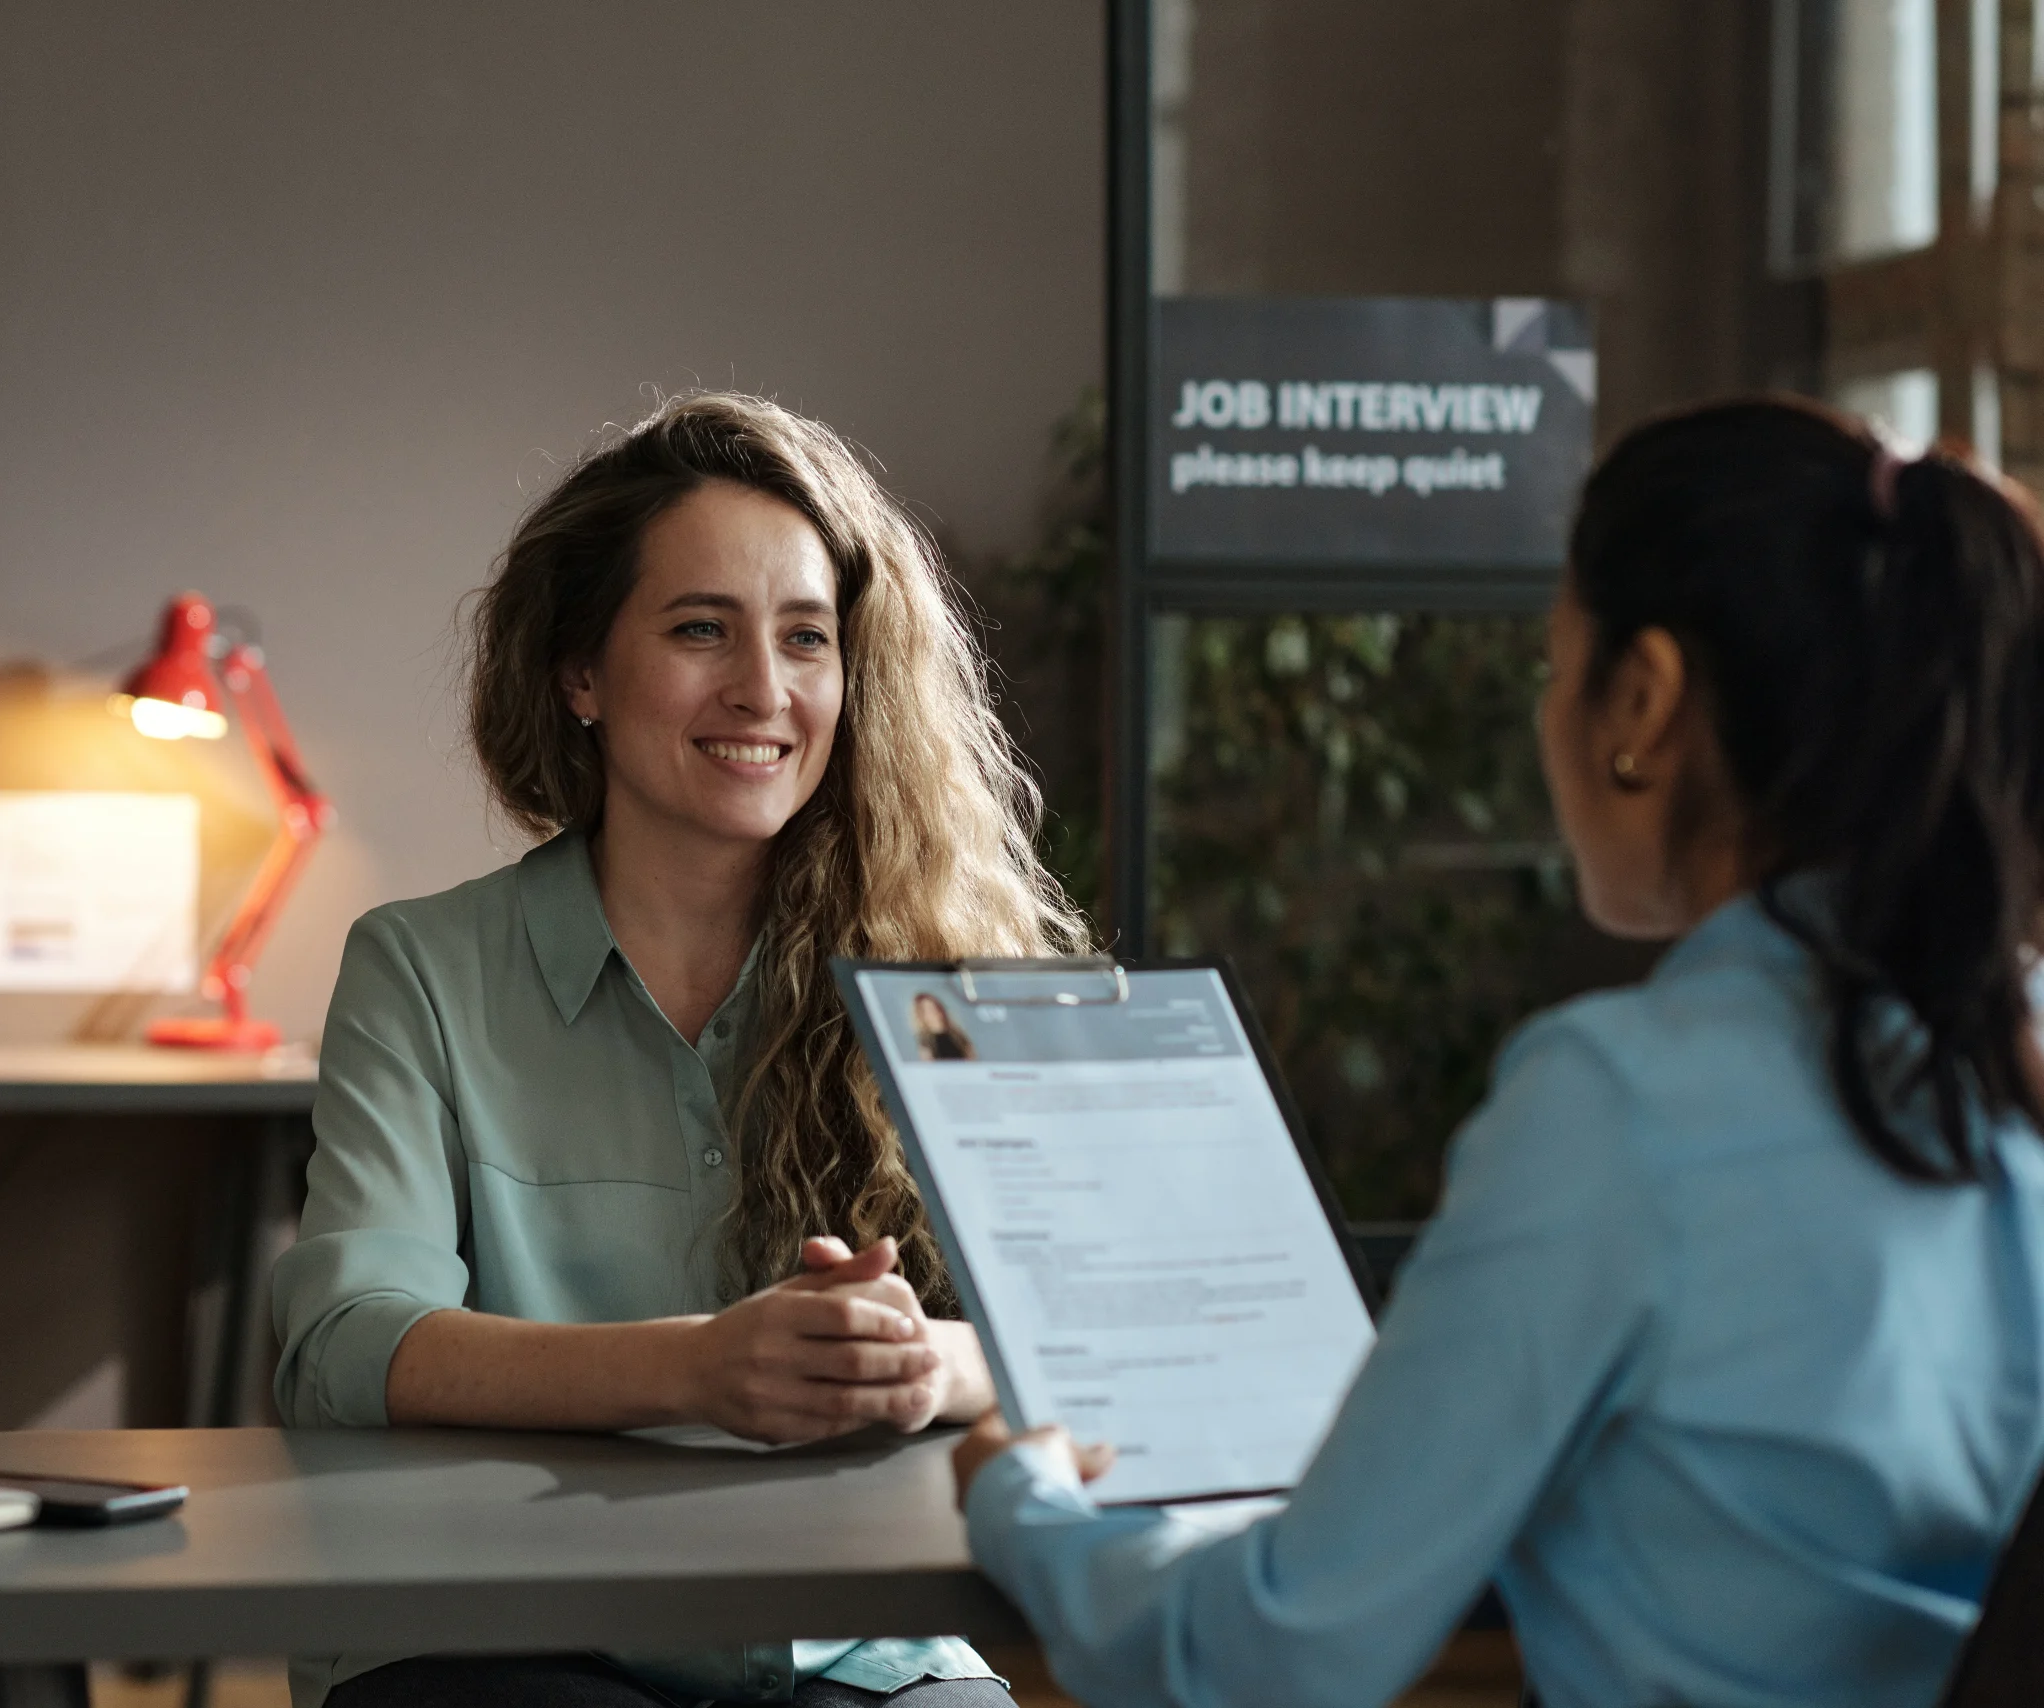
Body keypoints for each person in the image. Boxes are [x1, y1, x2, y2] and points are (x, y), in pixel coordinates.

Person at [952, 397, 2044, 1708]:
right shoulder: (2008, 1074)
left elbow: (1274, 1653)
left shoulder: (1625, 1104)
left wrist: (1025, 1504)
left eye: (1554, 665)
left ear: (1641, 696)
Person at [273, 391, 1086, 1708]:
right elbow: (348, 1344)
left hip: (861, 1652)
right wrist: (700, 1366)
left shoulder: (946, 984)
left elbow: (1086, 1341)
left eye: (807, 639)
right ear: (579, 672)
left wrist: (917, 1362)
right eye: (702, 629)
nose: (764, 691)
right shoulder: (418, 968)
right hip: (499, 1643)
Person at [910, 992, 977, 1062]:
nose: (935, 1011)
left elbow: (971, 1057)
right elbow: (929, 1064)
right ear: (922, 1015)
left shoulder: (957, 1034)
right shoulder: (925, 1041)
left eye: (936, 1006)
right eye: (929, 1009)